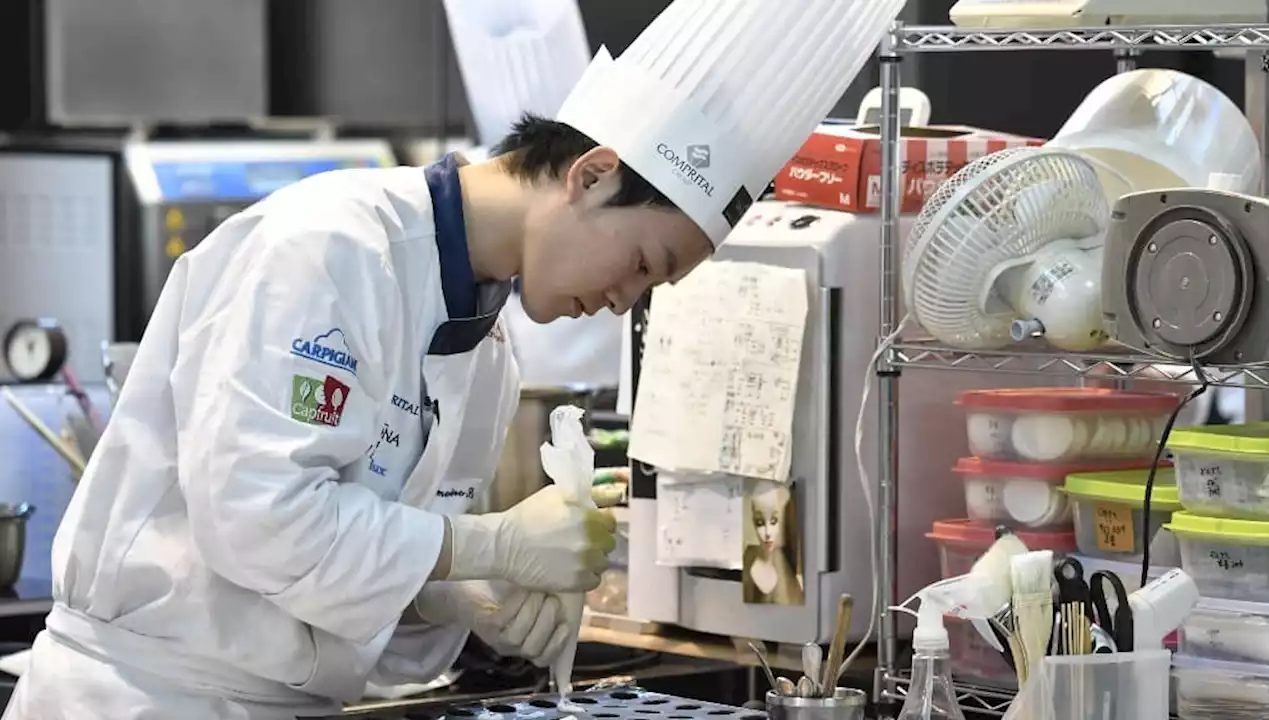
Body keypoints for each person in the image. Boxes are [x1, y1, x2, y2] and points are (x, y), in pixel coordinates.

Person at [5, 1, 887, 716]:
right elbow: (255, 516)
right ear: (592, 174)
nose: (625, 300)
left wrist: (460, 599)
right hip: (142, 698)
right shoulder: (327, 246)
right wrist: (482, 542)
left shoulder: (488, 347)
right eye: (644, 264)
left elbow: (349, 566)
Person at [743, 482, 804, 606]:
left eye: (773, 521)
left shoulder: (786, 568)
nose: (767, 533)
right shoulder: (747, 563)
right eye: (760, 522)